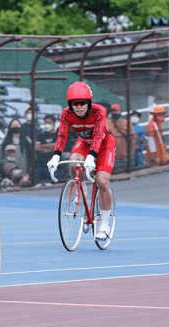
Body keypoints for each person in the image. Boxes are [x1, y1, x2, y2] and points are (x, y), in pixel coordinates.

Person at [46, 81, 116, 239]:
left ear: (89, 102)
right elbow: (62, 136)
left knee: (102, 182)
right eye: (74, 103)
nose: (78, 106)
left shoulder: (99, 111)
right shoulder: (66, 113)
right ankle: (82, 195)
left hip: (104, 144)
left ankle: (104, 224)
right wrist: (56, 156)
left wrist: (92, 157)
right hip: (84, 142)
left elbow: (98, 136)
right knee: (74, 164)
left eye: (82, 103)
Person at [106, 103, 135, 172]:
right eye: (113, 111)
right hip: (113, 157)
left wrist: (131, 155)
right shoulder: (107, 123)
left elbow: (132, 139)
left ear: (120, 112)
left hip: (125, 156)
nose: (115, 113)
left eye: (117, 111)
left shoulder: (126, 122)